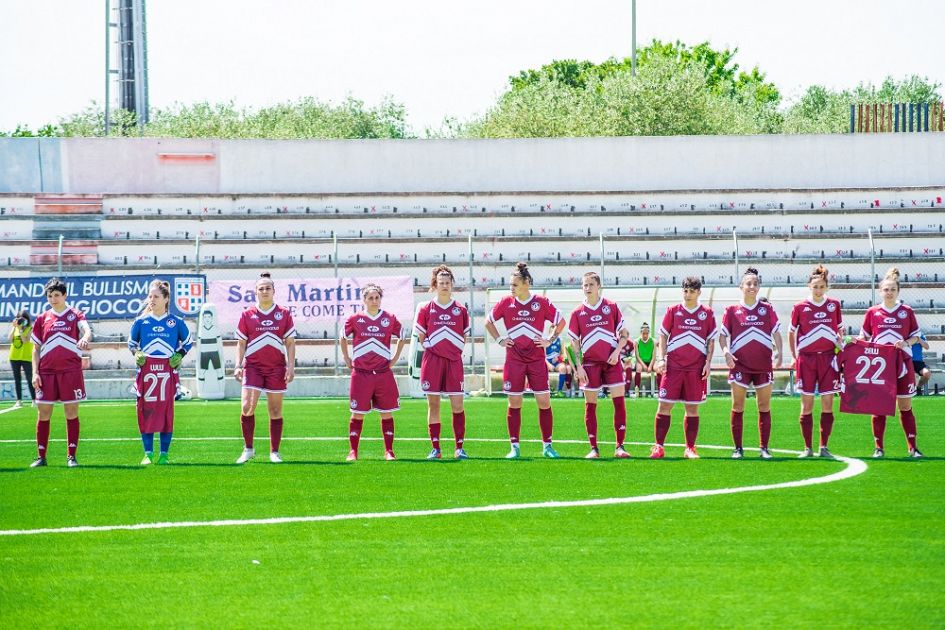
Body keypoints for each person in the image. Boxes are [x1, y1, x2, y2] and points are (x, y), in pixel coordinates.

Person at [486, 262, 566, 458]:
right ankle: (514, 447)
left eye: (514, 285)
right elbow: (488, 321)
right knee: (514, 402)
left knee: (544, 402)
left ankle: (547, 446)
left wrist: (549, 340)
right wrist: (500, 339)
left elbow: (561, 322)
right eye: (510, 285)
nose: (511, 288)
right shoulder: (506, 302)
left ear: (526, 284)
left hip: (537, 360)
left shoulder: (541, 302)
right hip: (514, 360)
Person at [718, 268, 783, 459]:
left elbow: (776, 333)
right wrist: (726, 353)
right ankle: (738, 448)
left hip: (763, 365)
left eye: (755, 283)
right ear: (741, 287)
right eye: (748, 283)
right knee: (738, 406)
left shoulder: (767, 309)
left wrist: (780, 353)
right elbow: (722, 336)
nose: (752, 286)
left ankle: (764, 448)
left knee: (764, 406)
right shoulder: (731, 311)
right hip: (739, 366)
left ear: (759, 287)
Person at [567, 272, 633, 459]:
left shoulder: (611, 306)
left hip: (612, 363)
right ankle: (593, 448)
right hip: (589, 364)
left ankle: (620, 447)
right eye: (584, 285)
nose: (587, 288)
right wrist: (579, 366)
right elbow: (574, 343)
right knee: (590, 405)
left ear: (598, 286)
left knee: (619, 402)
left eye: (590, 284)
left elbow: (624, 334)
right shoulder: (577, 312)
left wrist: (617, 352)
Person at [233, 272, 297, 464]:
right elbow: (241, 343)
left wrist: (291, 366)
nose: (265, 291)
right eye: (261, 288)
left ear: (274, 291)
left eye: (268, 288)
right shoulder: (247, 315)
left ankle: (274, 452)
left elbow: (290, 342)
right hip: (253, 367)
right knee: (247, 407)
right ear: (256, 292)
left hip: (276, 368)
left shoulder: (284, 314)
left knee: (275, 410)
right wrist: (238, 365)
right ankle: (248, 449)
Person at [860, 268, 923, 458]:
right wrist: (856, 342)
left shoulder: (906, 311)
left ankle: (913, 448)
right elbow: (864, 336)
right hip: (880, 366)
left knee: (905, 406)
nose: (889, 292)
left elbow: (916, 337)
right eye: (886, 289)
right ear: (880, 291)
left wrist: (905, 343)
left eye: (892, 289)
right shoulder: (872, 312)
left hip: (903, 363)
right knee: (879, 407)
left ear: (898, 291)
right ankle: (878, 448)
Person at [651, 276, 717, 460]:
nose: (688, 294)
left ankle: (690, 448)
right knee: (664, 405)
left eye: (692, 291)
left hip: (696, 367)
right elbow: (663, 336)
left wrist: (708, 362)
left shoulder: (707, 313)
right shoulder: (673, 310)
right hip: (673, 366)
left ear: (699, 292)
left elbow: (711, 340)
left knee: (692, 408)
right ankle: (658, 447)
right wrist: (662, 359)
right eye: (685, 291)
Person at [128, 280, 193, 465]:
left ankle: (164, 454)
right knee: (145, 412)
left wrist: (179, 354)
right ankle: (148, 454)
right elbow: (132, 343)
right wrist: (136, 353)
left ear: (166, 299)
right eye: (150, 296)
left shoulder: (176, 322)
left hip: (167, 375)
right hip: (146, 375)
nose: (152, 299)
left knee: (166, 413)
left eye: (156, 296)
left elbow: (188, 342)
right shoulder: (141, 321)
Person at [29, 278, 92, 468]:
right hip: (46, 373)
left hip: (70, 372)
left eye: (57, 295)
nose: (53, 299)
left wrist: (85, 337)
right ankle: (41, 457)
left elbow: (86, 330)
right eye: (50, 295)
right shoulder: (42, 318)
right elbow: (35, 349)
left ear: (65, 295)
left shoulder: (75, 314)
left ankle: (71, 456)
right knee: (43, 413)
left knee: (71, 412)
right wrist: (35, 373)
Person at [340, 283, 406, 461]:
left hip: (383, 373)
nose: (374, 301)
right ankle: (353, 451)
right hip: (361, 373)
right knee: (357, 413)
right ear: (364, 300)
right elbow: (342, 337)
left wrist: (395, 358)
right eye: (370, 298)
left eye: (377, 298)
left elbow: (402, 336)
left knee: (387, 412)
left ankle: (389, 451)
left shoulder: (389, 318)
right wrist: (346, 357)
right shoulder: (355, 318)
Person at [414, 265, 470, 460]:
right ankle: (435, 449)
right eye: (441, 283)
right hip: (432, 361)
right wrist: (431, 346)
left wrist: (455, 349)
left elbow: (465, 335)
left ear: (452, 285)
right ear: (435, 285)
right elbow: (421, 335)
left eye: (447, 282)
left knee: (458, 405)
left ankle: (459, 448)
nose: (444, 286)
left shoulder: (460, 309)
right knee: (434, 405)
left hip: (454, 361)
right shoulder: (426, 308)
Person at [788, 265, 843, 458]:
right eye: (815, 287)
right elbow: (791, 332)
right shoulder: (800, 307)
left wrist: (840, 344)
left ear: (826, 287)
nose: (818, 290)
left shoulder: (834, 305)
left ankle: (824, 447)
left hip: (828, 359)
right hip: (807, 359)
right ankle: (807, 448)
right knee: (807, 405)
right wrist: (794, 356)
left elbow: (839, 330)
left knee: (828, 404)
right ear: (809, 287)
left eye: (821, 287)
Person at [7, 309, 35, 408]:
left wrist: (21, 329)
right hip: (14, 356)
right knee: (17, 379)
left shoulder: (30, 328)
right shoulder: (15, 328)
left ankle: (34, 400)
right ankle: (19, 401)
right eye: (19, 319)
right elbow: (9, 338)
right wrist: (14, 327)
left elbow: (25, 340)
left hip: (26, 357)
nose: (21, 321)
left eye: (23, 319)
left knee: (30, 378)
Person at [633, 323, 656, 397]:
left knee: (658, 368)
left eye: (646, 333)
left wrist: (650, 366)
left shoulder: (654, 341)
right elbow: (637, 356)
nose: (645, 335)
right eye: (643, 333)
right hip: (641, 361)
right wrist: (644, 365)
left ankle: (661, 390)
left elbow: (654, 356)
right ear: (641, 333)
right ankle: (637, 390)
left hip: (650, 361)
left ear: (649, 333)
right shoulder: (636, 341)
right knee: (638, 368)